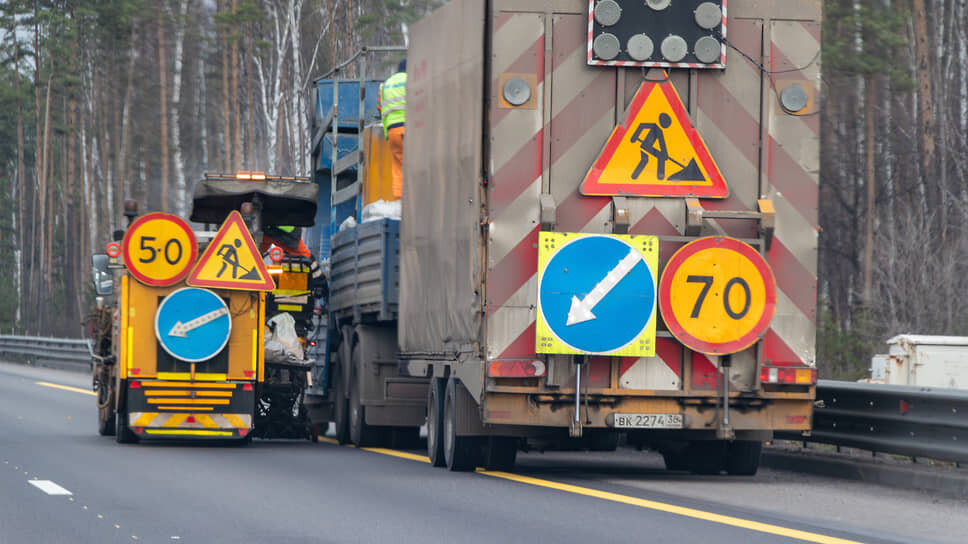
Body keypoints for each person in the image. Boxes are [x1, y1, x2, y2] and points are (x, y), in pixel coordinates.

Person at [378, 58, 407, 200]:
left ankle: (399, 200)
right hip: (408, 128)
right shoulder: (410, 80)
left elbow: (380, 108)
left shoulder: (386, 84)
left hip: (391, 132)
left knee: (397, 166)